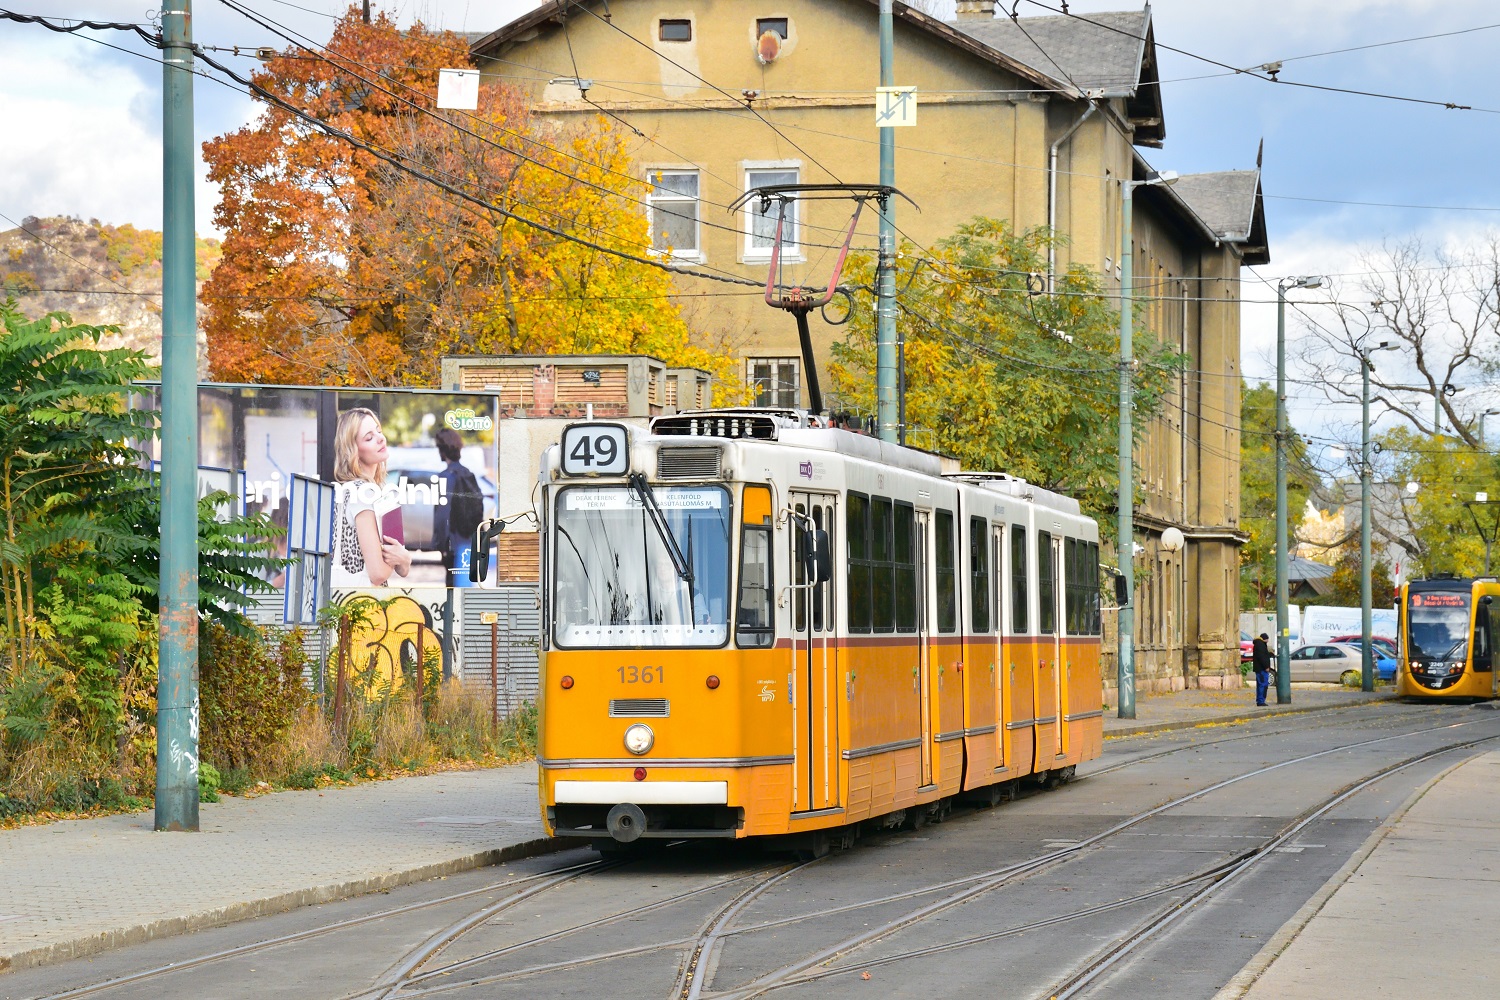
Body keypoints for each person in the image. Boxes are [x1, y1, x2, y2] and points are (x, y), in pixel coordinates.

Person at [331, 407, 412, 588]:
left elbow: (401, 567)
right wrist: (402, 558)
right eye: (369, 438)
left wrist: (403, 559)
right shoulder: (363, 492)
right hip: (364, 604)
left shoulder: (372, 490)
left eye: (378, 431)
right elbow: (377, 574)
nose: (380, 438)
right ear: (353, 450)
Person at [432, 427, 484, 581]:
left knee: (452, 587)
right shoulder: (469, 475)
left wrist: (440, 544)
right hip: (468, 540)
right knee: (464, 587)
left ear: (442, 450)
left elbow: (442, 516)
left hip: (452, 543)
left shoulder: (444, 477)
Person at [1252, 632, 1273, 706]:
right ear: (1265, 639)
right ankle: (1261, 701)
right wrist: (1266, 666)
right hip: (1261, 669)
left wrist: (1269, 654)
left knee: (1260, 684)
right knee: (1263, 684)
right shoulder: (1260, 645)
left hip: (1259, 668)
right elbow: (1262, 657)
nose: (1268, 641)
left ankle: (1260, 700)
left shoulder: (1258, 644)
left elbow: (1263, 655)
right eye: (1267, 640)